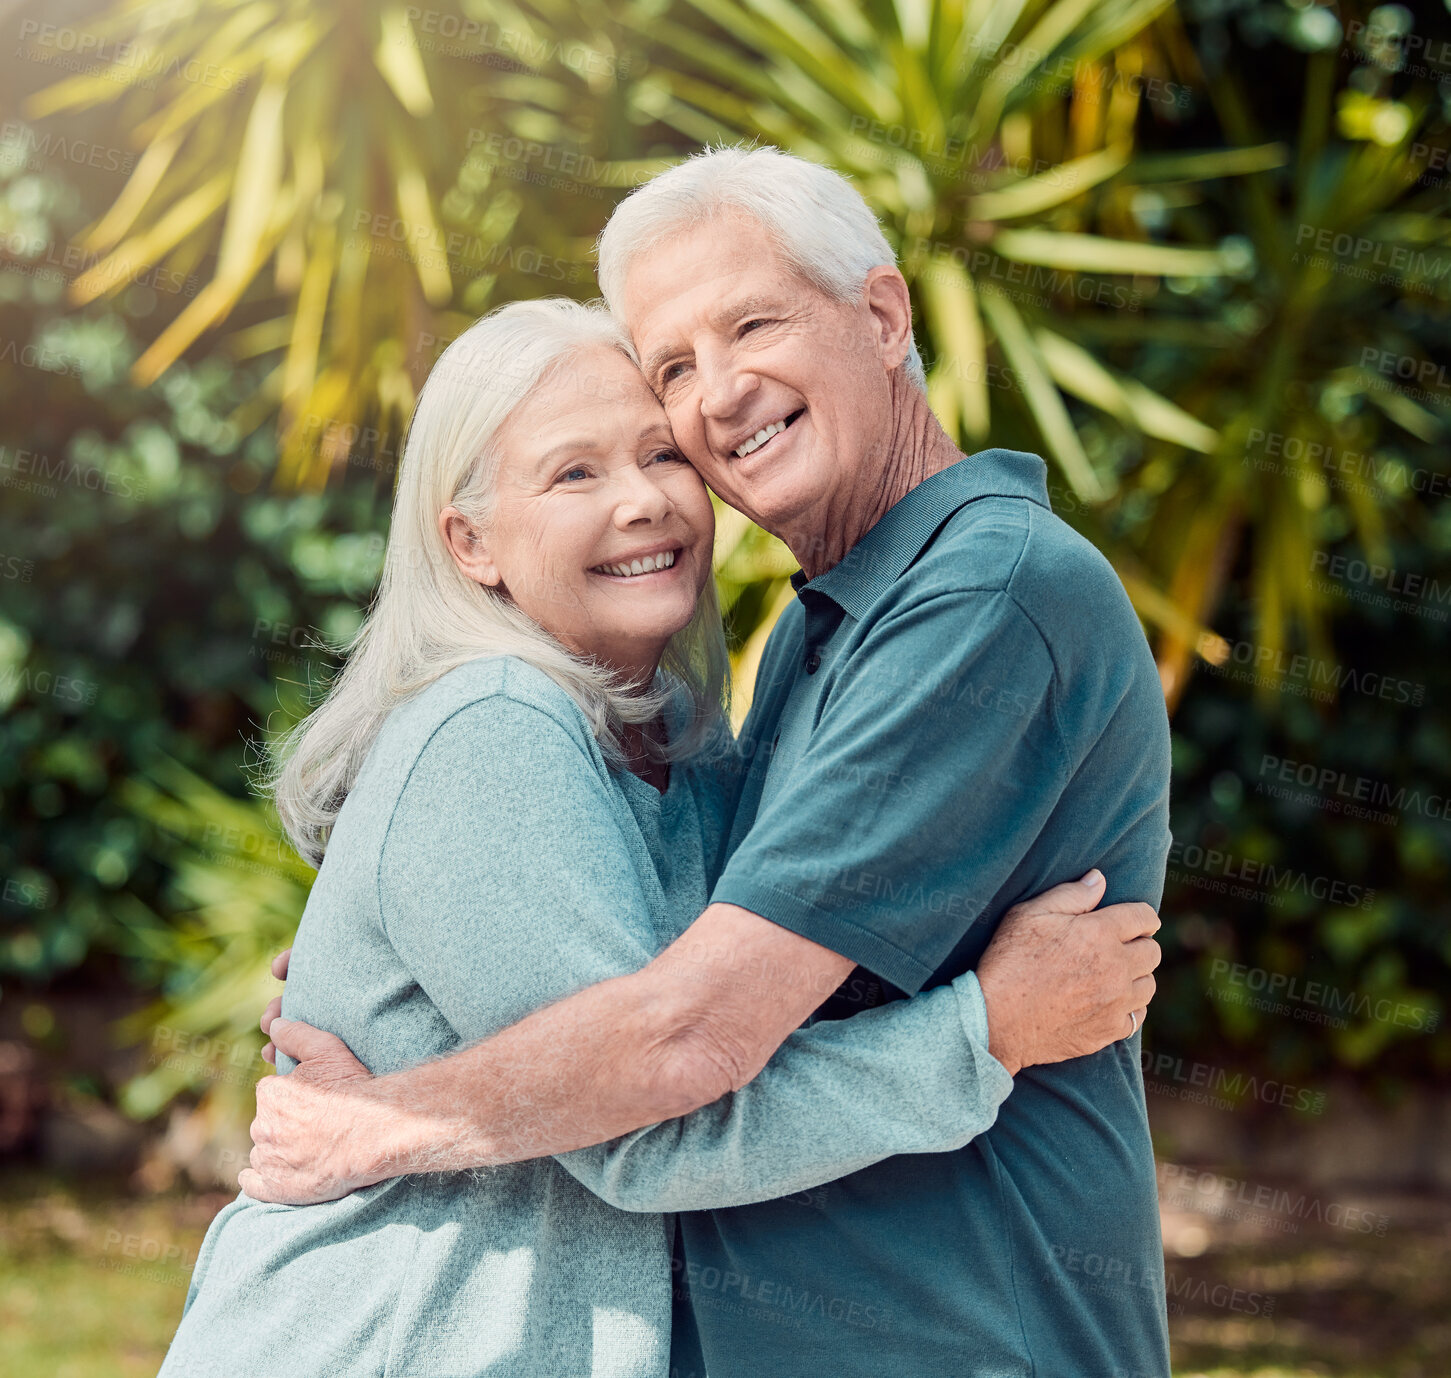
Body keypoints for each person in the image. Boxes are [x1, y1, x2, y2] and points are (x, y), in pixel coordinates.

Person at [163, 296, 1159, 1378]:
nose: (640, 502)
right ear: (472, 542)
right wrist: (986, 1031)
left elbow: (713, 1025)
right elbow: (648, 1125)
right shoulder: (493, 722)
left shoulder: (678, 756)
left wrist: (402, 1087)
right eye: (573, 474)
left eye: (656, 454)